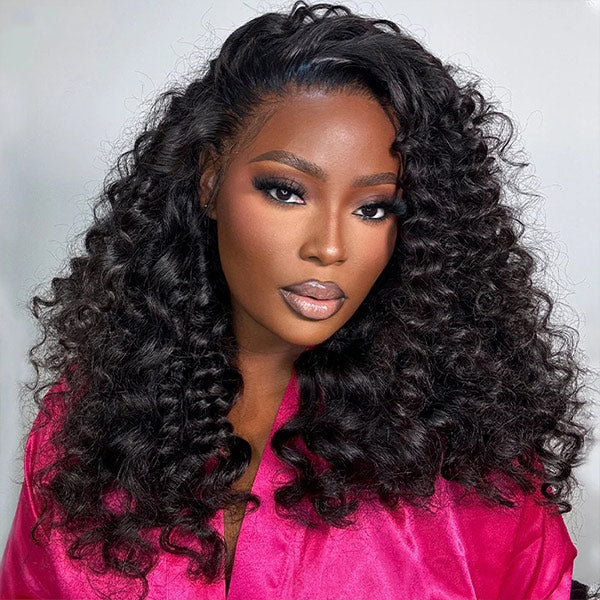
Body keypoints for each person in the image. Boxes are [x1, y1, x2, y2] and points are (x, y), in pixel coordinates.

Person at [0, 1, 592, 599]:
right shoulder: (92, 422)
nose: (329, 247)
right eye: (286, 192)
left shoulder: (467, 457)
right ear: (209, 180)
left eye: (373, 208)